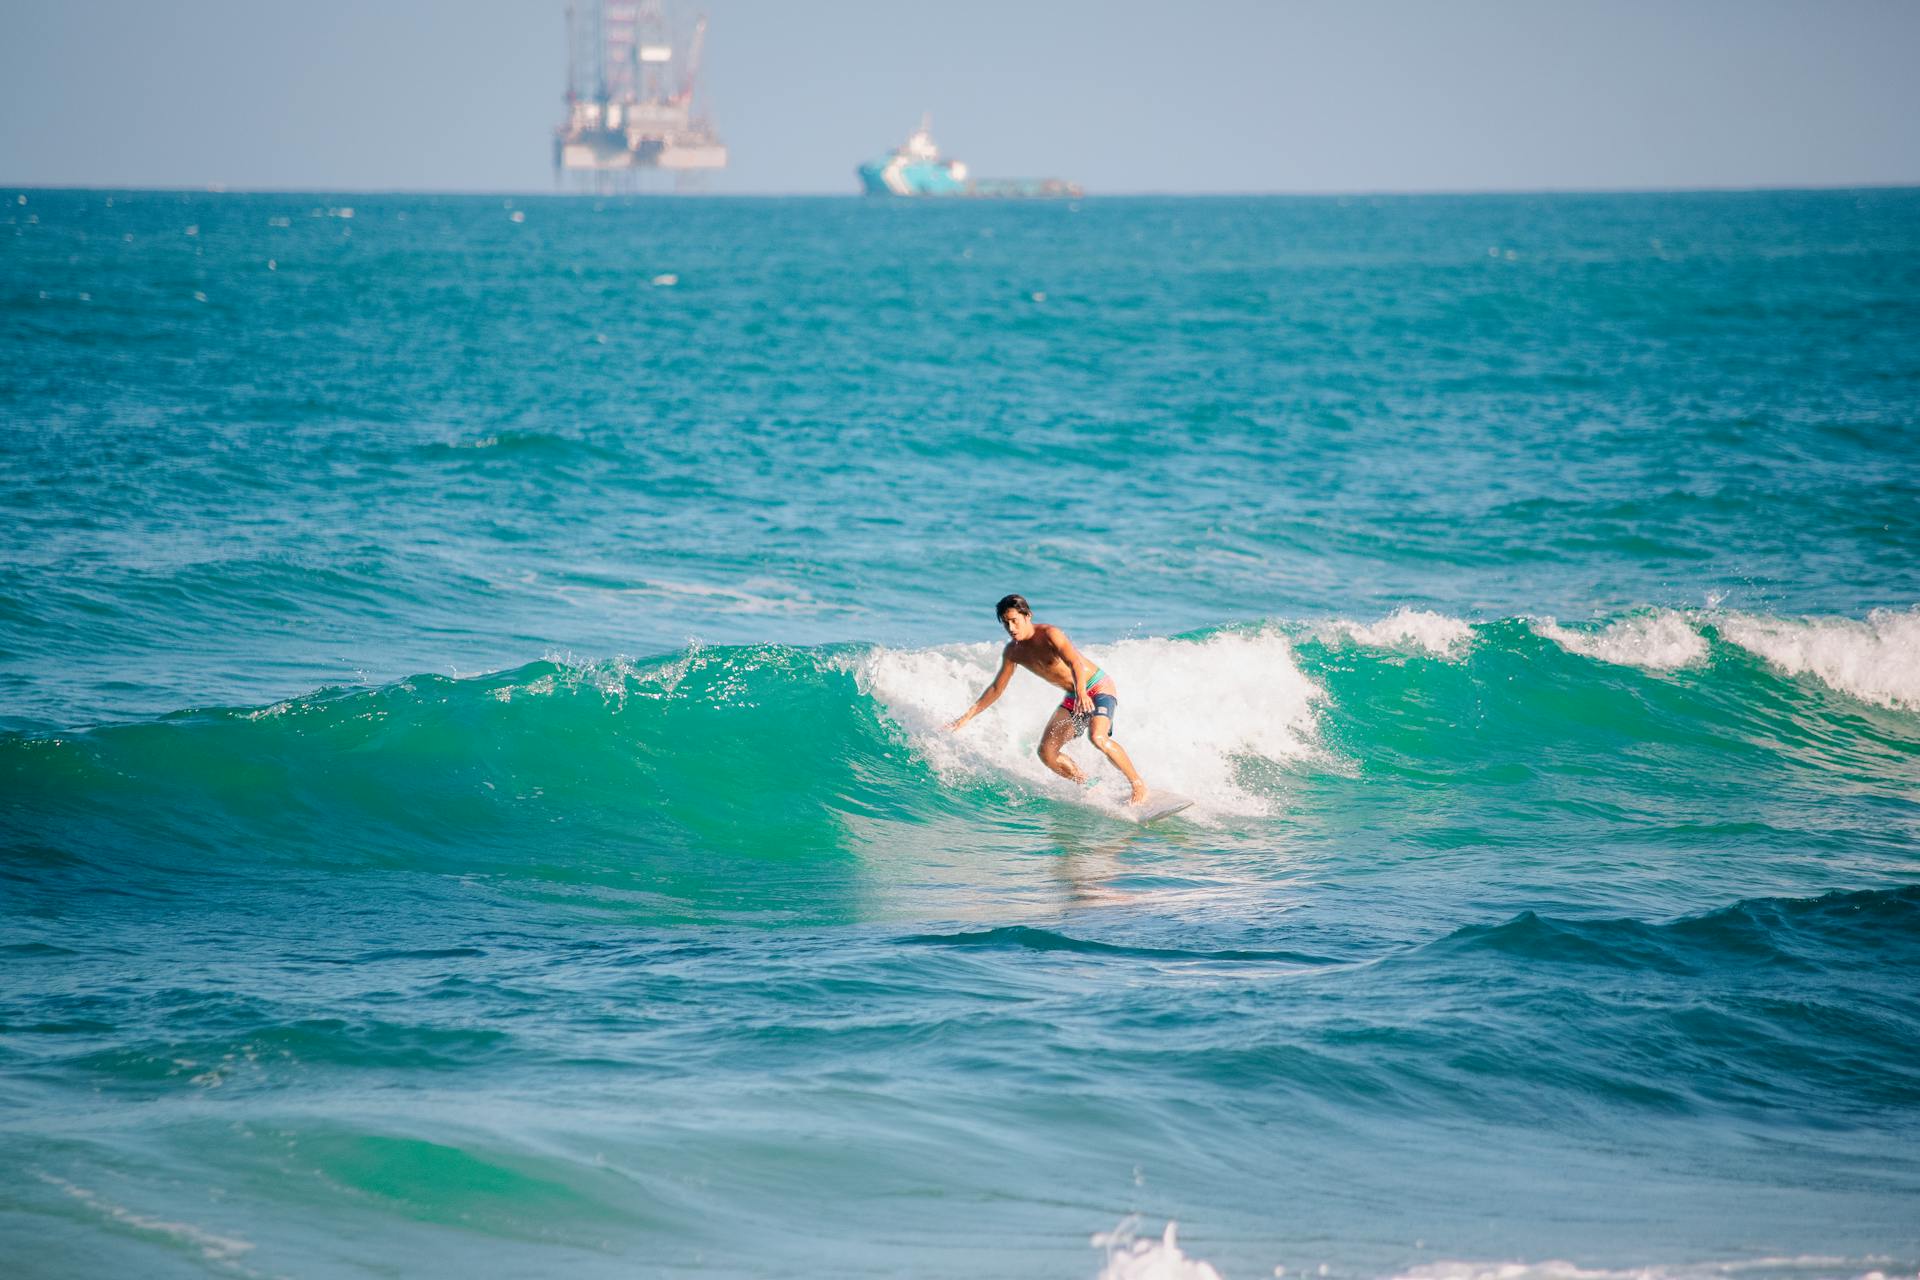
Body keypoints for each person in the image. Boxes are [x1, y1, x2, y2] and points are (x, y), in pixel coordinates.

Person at [946, 593, 1151, 805]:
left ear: (1027, 616)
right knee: (1047, 753)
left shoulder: (1050, 634)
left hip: (1096, 687)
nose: (1011, 628)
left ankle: (1138, 785)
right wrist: (967, 717)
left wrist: (1082, 692)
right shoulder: (1013, 652)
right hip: (1074, 696)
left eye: (1014, 621)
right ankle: (1089, 784)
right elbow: (997, 688)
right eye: (1006, 624)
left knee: (1098, 738)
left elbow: (1075, 664)